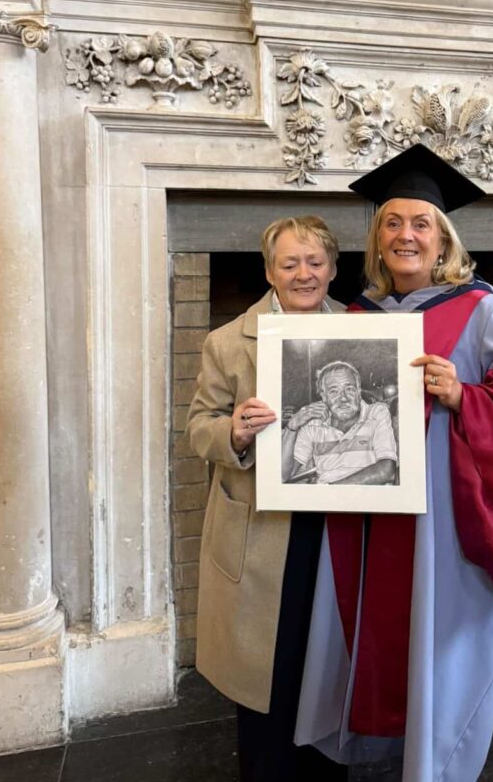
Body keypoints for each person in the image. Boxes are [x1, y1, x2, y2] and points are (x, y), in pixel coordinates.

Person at [292, 145, 493, 782]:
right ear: (378, 239)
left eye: (421, 224)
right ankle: (381, 742)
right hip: (366, 517)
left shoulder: (481, 310)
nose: (406, 235)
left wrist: (463, 395)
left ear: (443, 239)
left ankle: (437, 754)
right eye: (392, 223)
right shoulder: (356, 317)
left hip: (443, 518)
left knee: (436, 632)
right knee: (374, 625)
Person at [184, 215, 348, 782]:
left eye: (315, 262)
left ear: (332, 267)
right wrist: (232, 432)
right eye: (290, 263)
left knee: (328, 664)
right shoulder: (227, 341)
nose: (304, 274)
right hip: (262, 529)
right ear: (269, 272)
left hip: (338, 527)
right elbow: (196, 428)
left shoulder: (365, 331)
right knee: (267, 672)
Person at [285, 360, 398, 485]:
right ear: (323, 396)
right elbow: (283, 475)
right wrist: (292, 426)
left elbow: (386, 471)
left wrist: (332, 492)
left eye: (349, 389)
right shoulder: (313, 425)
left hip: (368, 499)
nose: (343, 398)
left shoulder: (376, 413)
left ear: (358, 392)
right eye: (334, 391)